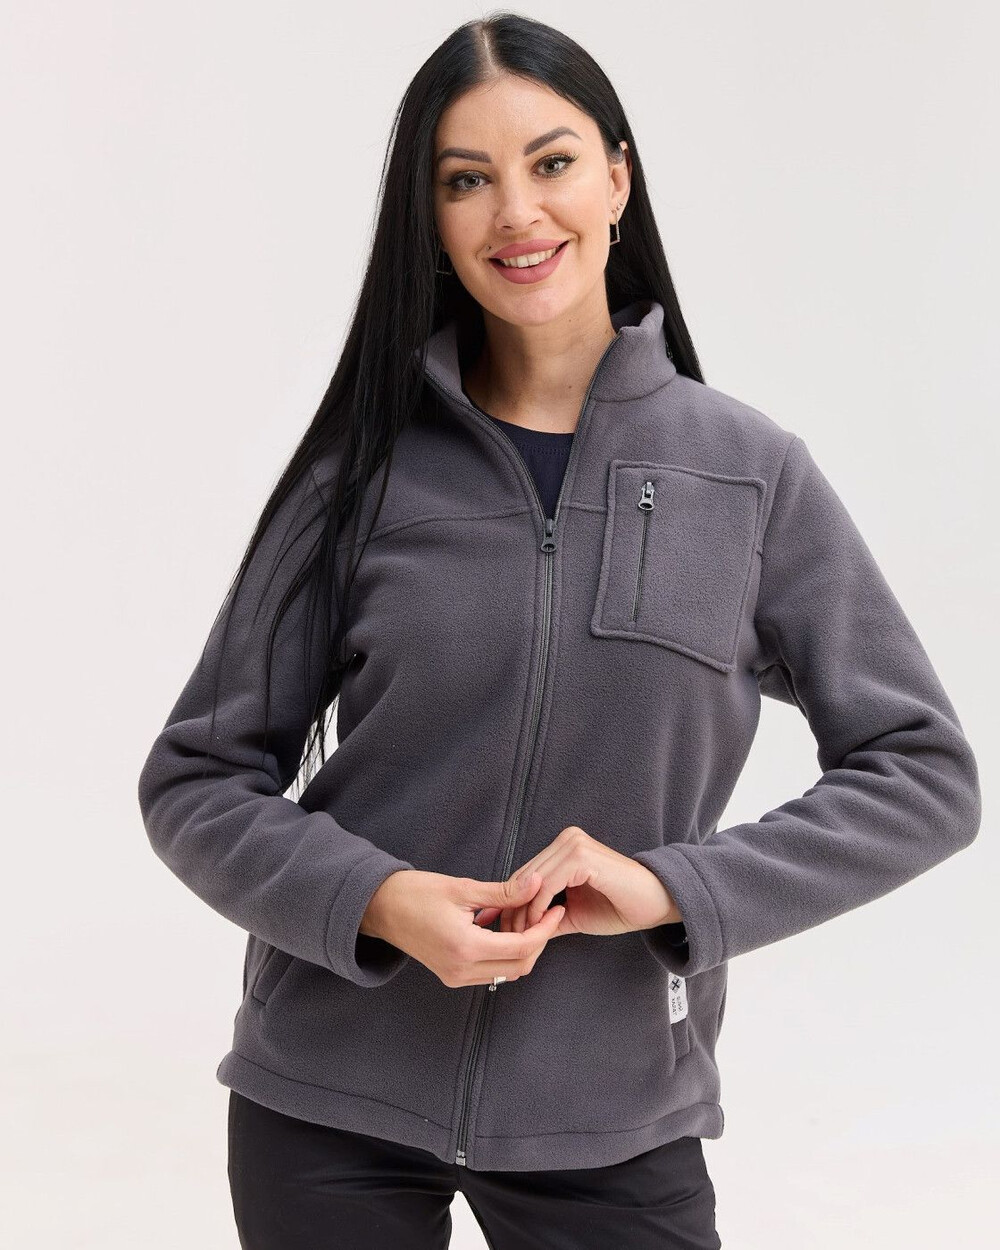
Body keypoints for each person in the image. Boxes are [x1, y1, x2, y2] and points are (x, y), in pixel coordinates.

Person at [136, 14, 981, 1250]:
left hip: (614, 1116)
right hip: (326, 1100)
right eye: (465, 180)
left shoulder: (748, 475)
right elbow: (197, 778)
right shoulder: (361, 473)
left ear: (617, 180)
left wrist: (673, 887)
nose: (515, 212)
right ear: (431, 220)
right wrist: (378, 899)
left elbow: (923, 773)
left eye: (551, 162)